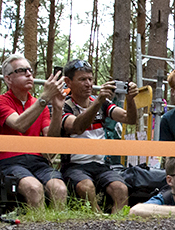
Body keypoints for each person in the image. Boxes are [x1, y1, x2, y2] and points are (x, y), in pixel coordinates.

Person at [57, 60, 137, 214]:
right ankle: (97, 221)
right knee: (86, 188)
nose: (88, 84)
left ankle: (117, 224)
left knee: (121, 189)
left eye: (90, 79)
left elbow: (129, 119)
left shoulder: (101, 103)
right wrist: (98, 102)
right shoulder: (64, 106)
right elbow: (77, 127)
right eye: (82, 80)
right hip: (74, 165)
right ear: (68, 82)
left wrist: (130, 99)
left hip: (100, 165)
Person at [0, 55, 67, 209]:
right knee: (34, 188)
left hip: (37, 161)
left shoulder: (41, 105)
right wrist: (45, 97)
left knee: (59, 189)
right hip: (9, 161)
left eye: (30, 71)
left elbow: (50, 143)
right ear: (8, 79)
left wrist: (58, 108)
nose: (29, 74)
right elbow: (19, 124)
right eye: (21, 71)